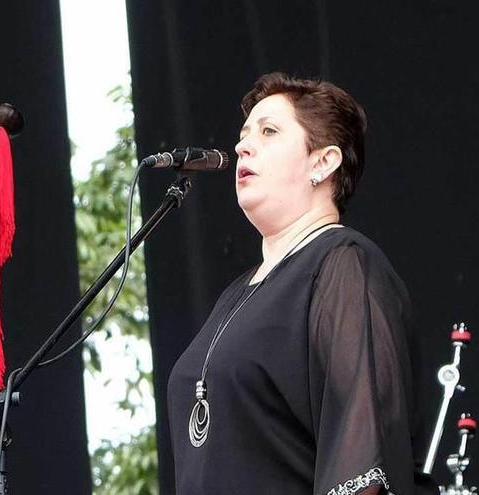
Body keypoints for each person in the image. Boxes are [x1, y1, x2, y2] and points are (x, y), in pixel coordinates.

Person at [167, 73, 434, 494]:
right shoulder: (236, 295)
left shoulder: (343, 264)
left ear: (322, 162)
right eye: (243, 134)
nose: (242, 146)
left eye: (269, 131)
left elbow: (363, 466)